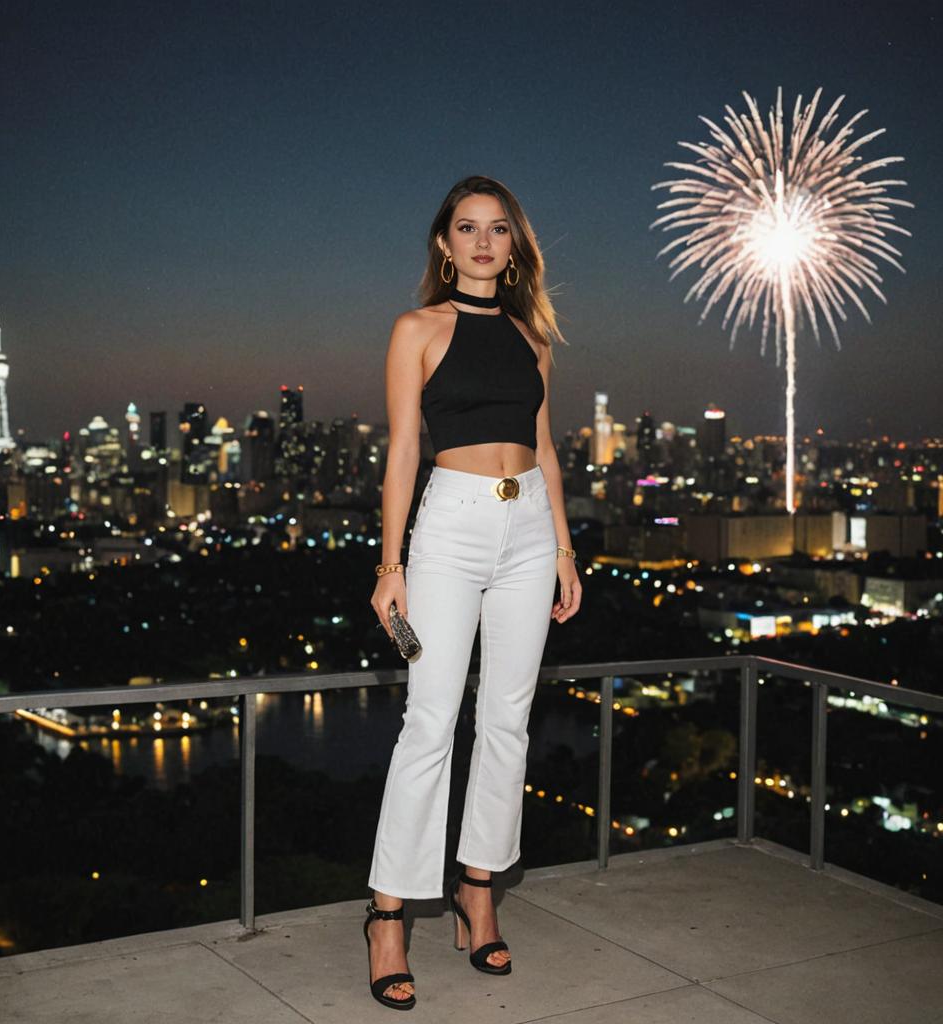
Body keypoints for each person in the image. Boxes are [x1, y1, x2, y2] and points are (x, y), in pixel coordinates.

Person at [363, 175, 582, 1010]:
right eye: (467, 227)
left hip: (528, 527)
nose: (484, 241)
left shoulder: (533, 338)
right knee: (429, 719)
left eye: (498, 229)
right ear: (445, 245)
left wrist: (562, 547)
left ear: (513, 246)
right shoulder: (417, 328)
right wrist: (392, 566)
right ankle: (389, 912)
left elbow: (547, 448)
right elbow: (402, 451)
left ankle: (477, 890)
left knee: (508, 721)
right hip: (449, 527)